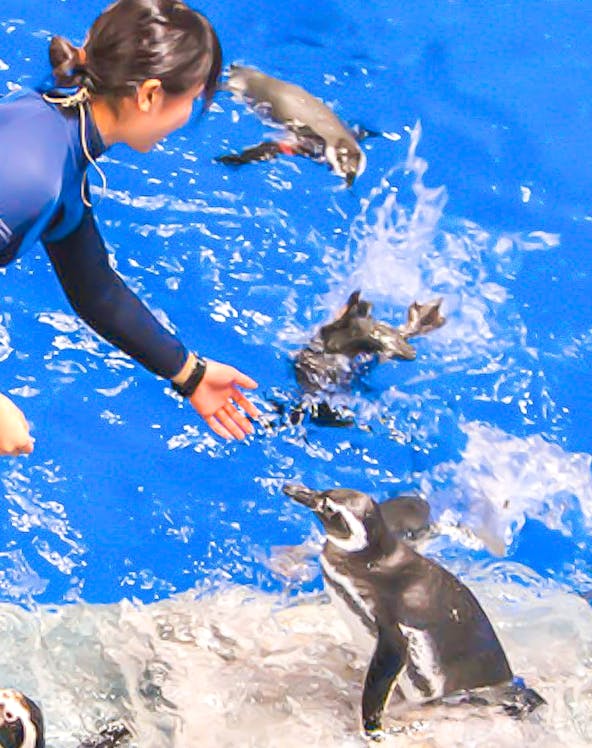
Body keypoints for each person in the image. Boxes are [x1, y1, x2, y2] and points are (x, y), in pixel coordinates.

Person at [0, 0, 260, 444]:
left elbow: (96, 290)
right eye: (192, 100)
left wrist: (189, 373)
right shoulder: (33, 177)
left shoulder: (59, 128)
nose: (185, 119)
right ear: (150, 95)